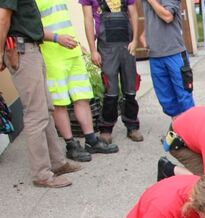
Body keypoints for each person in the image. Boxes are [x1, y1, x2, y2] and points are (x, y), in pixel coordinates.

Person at [0, 0, 82, 188]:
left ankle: (57, 163)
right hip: (22, 50)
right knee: (36, 114)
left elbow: (27, 25)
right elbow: (3, 18)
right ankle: (41, 174)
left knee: (45, 109)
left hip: (30, 48)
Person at [36, 0, 119, 160]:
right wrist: (57, 38)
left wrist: (78, 44)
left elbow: (63, 22)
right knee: (60, 103)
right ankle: (71, 145)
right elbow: (32, 28)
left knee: (82, 97)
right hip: (53, 57)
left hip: (71, 52)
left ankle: (91, 141)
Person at [81, 0, 144, 143]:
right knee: (111, 91)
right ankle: (106, 129)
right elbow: (87, 20)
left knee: (130, 88)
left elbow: (134, 13)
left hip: (127, 45)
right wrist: (92, 50)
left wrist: (135, 41)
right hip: (106, 49)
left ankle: (132, 126)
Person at [141, 0, 194, 118]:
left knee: (184, 96)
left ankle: (190, 132)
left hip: (174, 53)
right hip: (155, 55)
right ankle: (177, 129)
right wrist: (144, 34)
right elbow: (152, 17)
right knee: (166, 100)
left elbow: (167, 16)